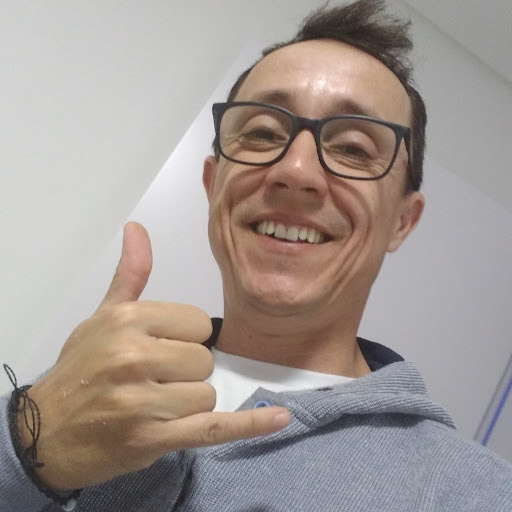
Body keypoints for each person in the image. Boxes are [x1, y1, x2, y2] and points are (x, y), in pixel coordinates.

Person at [1, 0, 511, 510]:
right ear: (212, 184)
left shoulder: (479, 493)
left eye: (354, 148)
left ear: (403, 220)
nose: (296, 171)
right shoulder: (86, 385)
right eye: (263, 132)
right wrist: (27, 445)